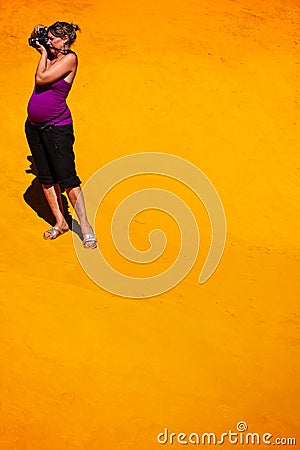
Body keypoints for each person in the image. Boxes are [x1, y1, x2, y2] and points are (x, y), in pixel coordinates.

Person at [25, 21, 97, 249]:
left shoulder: (69, 59)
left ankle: (85, 227)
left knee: (68, 179)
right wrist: (38, 37)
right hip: (34, 127)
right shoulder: (52, 54)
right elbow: (32, 41)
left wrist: (44, 53)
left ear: (65, 41)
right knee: (46, 178)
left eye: (52, 38)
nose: (48, 41)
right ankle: (61, 222)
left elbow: (41, 79)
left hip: (57, 129)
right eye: (48, 37)